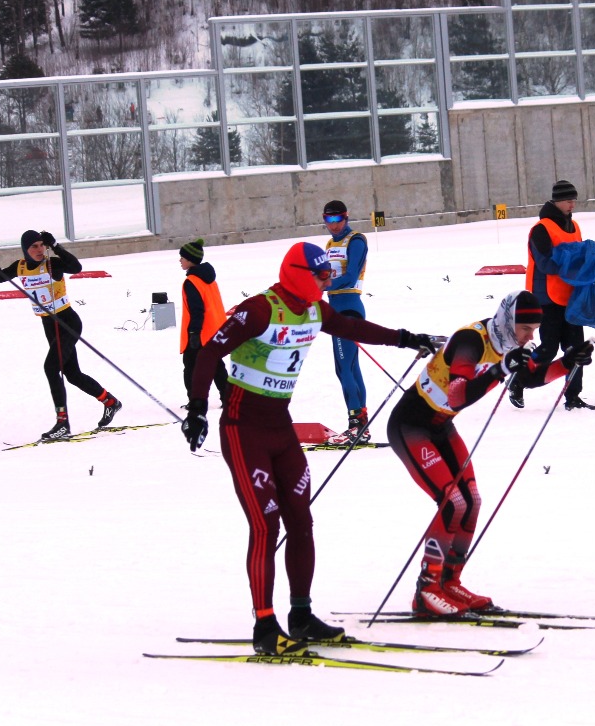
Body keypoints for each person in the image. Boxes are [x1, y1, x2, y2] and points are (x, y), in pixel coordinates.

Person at [181, 241, 439, 655]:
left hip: (281, 430)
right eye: (322, 276)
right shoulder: (260, 309)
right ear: (300, 273)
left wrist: (408, 339)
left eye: (329, 275)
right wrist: (197, 410)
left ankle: (300, 616)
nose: (328, 281)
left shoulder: (315, 311)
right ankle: (265, 626)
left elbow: (354, 329)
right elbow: (210, 351)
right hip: (243, 430)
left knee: (301, 520)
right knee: (266, 525)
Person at [386, 289, 594, 617]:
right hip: (411, 425)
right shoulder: (471, 341)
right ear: (508, 322)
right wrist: (498, 372)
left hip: (441, 427)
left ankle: (449, 582)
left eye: (534, 329)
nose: (531, 336)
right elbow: (456, 396)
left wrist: (569, 362)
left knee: (471, 501)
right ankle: (427, 590)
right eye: (526, 329)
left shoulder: (509, 344)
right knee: (452, 502)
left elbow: (531, 376)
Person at [0, 230, 122, 439]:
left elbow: (76, 267)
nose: (39, 250)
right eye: (34, 247)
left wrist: (56, 245)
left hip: (67, 322)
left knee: (50, 368)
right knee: (72, 374)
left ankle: (62, 423)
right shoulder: (20, 267)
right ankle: (110, 402)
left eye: (41, 245)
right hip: (49, 325)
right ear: (25, 250)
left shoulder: (51, 263)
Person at [510, 178, 595, 412]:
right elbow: (545, 263)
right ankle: (519, 379)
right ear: (557, 201)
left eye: (574, 200)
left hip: (570, 296)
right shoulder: (540, 229)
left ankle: (573, 397)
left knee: (576, 347)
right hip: (546, 297)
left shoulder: (575, 226)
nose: (572, 205)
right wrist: (574, 265)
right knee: (548, 348)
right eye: (568, 200)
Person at [321, 199, 372, 443]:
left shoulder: (357, 240)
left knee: (345, 366)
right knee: (347, 367)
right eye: (328, 220)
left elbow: (351, 276)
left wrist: (324, 284)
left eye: (337, 219)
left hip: (349, 307)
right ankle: (361, 424)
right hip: (335, 309)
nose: (333, 225)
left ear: (346, 216)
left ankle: (356, 424)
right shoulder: (330, 244)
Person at [177, 238, 229, 405]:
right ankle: (228, 397)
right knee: (216, 365)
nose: (180, 260)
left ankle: (195, 401)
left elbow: (197, 310)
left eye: (182, 258)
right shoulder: (209, 279)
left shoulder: (191, 282)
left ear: (190, 260)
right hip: (215, 330)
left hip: (200, 333)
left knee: (191, 367)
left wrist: (193, 333)